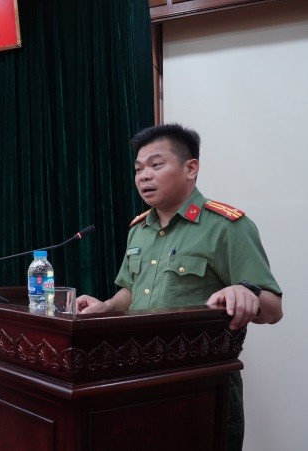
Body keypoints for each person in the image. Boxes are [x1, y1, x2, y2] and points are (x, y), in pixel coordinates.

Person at [76, 123, 283, 450]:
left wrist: (247, 293)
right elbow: (130, 291)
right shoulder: (138, 230)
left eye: (156, 165)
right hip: (136, 376)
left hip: (200, 388)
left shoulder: (226, 226)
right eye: (138, 169)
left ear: (191, 168)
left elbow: (273, 308)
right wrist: (108, 306)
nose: (144, 176)